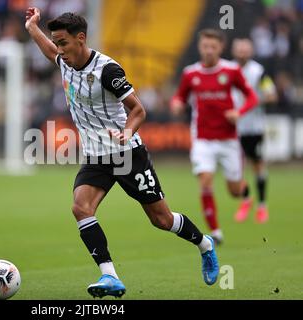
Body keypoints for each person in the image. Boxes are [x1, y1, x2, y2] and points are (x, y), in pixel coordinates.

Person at [25, 8, 219, 298]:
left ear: (81, 39)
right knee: (81, 208)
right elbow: (48, 49)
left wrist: (126, 132)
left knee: (161, 220)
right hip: (95, 156)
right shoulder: (64, 60)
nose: (59, 49)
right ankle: (109, 276)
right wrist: (32, 28)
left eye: (63, 42)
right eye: (57, 42)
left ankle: (204, 244)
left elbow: (139, 109)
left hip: (126, 153)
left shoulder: (107, 70)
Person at [170, 29, 259, 245]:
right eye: (205, 46)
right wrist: (176, 105)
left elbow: (252, 97)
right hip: (202, 138)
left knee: (234, 191)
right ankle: (216, 232)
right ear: (200, 47)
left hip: (228, 140)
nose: (209, 51)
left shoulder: (231, 70)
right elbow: (179, 97)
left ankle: (244, 190)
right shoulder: (190, 73)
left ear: (221, 48)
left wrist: (239, 112)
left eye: (213, 47)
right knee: (206, 180)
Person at [231, 38, 277, 223]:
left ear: (251, 52)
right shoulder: (228, 69)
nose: (242, 53)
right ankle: (246, 200)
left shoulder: (258, 72)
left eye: (245, 50)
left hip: (253, 127)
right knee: (236, 168)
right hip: (233, 127)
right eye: (239, 50)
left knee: (257, 165)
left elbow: (272, 95)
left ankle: (262, 206)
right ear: (234, 51)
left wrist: (254, 101)